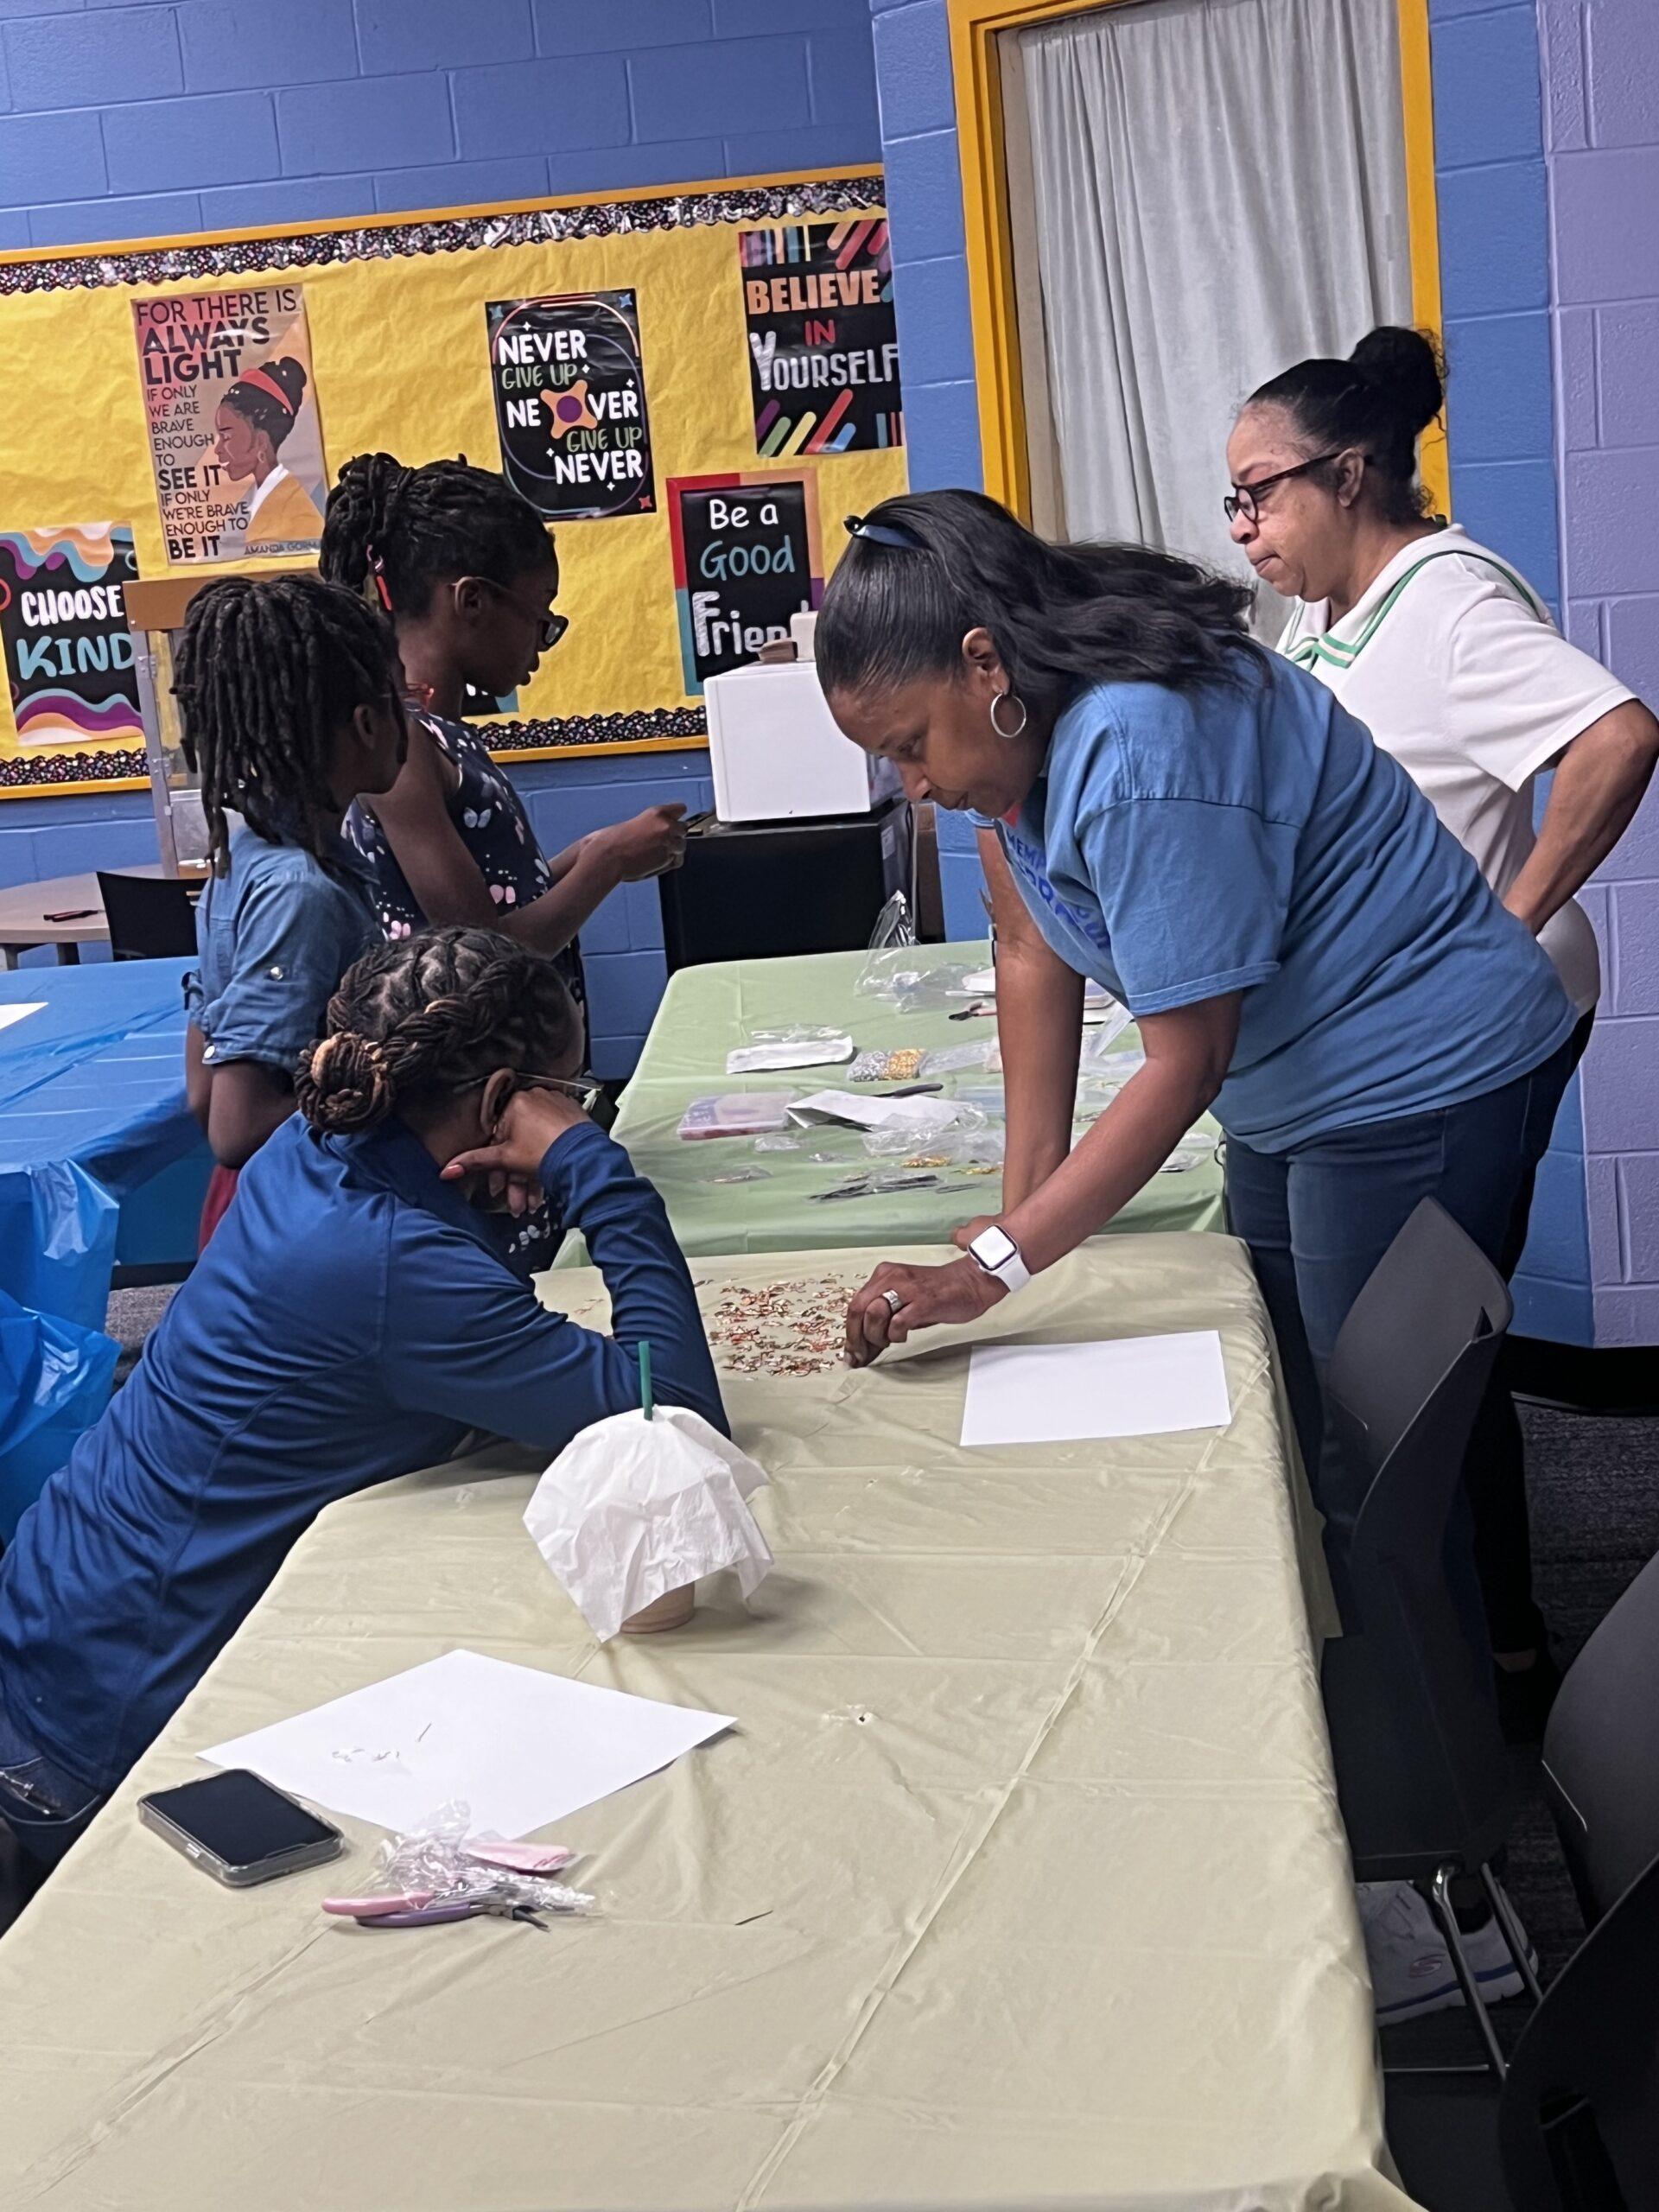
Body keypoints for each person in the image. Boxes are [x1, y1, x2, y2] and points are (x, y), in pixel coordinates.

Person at [0, 927, 724, 1872]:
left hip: (54, 1634)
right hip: (100, 1734)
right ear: (505, 1102)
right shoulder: (385, 1262)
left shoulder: (315, 1143)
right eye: (567, 1097)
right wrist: (593, 1167)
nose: (572, 1118)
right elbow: (670, 1416)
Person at [1226, 325, 1659, 1718]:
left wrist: (1500, 922)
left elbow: (1619, 737)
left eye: (1262, 492)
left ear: (1350, 476)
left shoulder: (1448, 600)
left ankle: (1499, 1666)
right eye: (1232, 498)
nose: (1243, 525)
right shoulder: (1330, 610)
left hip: (1475, 1029)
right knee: (1419, 1345)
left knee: (1413, 1359)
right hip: (1398, 1029)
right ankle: (1498, 1637)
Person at [319, 451, 690, 1013]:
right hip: (468, 1077)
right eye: (540, 614)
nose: (541, 642)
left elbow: (497, 898)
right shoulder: (401, 750)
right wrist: (607, 861)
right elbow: (481, 950)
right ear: (471, 600)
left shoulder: (441, 734)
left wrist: (585, 851)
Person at [180, 573, 408, 1244]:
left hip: (254, 1211)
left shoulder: (243, 856)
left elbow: (202, 1089)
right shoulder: (299, 892)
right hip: (299, 1218)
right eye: (402, 699)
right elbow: (235, 1126)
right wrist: (407, 1084)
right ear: (368, 723)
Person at [212, 356, 325, 550]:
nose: (218, 449)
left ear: (262, 441)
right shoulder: (270, 498)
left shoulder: (299, 516)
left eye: (227, 437)